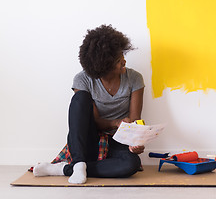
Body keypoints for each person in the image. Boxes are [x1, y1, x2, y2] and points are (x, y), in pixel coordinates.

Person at [33, 24, 145, 184]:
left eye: (122, 54)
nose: (124, 61)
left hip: (119, 140)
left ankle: (65, 169)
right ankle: (78, 163)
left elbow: (135, 119)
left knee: (130, 165)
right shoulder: (83, 79)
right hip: (89, 140)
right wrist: (116, 122)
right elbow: (91, 120)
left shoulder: (135, 78)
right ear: (104, 64)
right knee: (80, 99)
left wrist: (137, 140)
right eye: (118, 59)